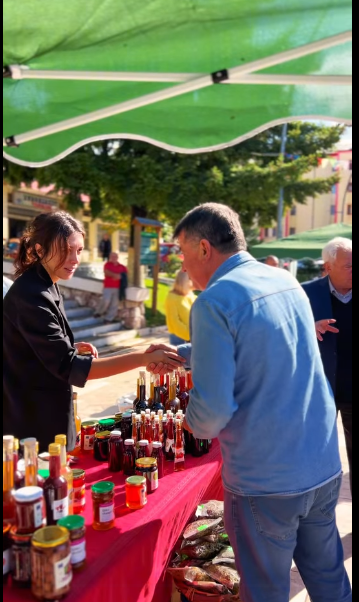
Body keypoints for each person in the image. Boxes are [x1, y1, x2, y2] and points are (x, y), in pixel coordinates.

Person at [147, 203, 351, 602]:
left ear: (204, 248)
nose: (184, 267)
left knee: (264, 591)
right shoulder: (284, 281)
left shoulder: (213, 301)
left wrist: (188, 423)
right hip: (322, 465)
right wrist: (184, 353)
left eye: (184, 255)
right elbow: (262, 340)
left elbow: (211, 415)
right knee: (329, 581)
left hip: (267, 481)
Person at [3, 212, 184, 453]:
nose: (74, 258)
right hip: (31, 421)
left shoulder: (46, 283)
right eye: (66, 250)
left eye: (78, 250)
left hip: (45, 410)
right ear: (39, 249)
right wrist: (142, 357)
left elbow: (31, 346)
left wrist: (70, 348)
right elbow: (71, 367)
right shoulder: (32, 294)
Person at [303, 237, 352, 495]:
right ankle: (315, 520)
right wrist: (309, 328)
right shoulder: (304, 293)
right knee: (316, 460)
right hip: (319, 394)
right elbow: (281, 332)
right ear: (328, 266)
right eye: (349, 266)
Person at [165, 270, 197, 346]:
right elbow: (174, 321)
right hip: (179, 337)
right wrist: (188, 335)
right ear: (184, 281)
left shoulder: (190, 295)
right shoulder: (172, 298)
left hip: (192, 335)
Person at [94, 251, 127, 323]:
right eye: (112, 256)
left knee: (114, 304)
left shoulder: (122, 267)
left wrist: (118, 276)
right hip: (108, 287)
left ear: (118, 257)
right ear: (110, 257)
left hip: (118, 288)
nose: (113, 258)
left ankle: (108, 318)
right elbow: (107, 272)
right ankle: (99, 312)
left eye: (115, 256)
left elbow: (125, 276)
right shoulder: (107, 265)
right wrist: (116, 275)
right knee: (106, 300)